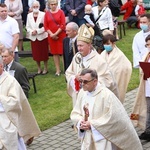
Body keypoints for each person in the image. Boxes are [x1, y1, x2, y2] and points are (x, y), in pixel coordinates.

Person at [70, 68, 143, 150]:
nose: (82, 84)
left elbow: (114, 117)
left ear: (95, 81)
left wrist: (92, 124)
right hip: (87, 137)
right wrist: (81, 122)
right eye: (81, 81)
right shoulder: (82, 93)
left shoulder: (106, 95)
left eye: (85, 82)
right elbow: (75, 112)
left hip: (102, 139)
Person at [65, 24, 118, 107]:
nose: (79, 48)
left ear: (89, 45)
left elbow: (108, 81)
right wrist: (75, 78)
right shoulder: (76, 57)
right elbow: (68, 73)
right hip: (80, 96)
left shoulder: (99, 60)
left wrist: (89, 81)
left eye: (81, 46)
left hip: (95, 99)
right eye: (77, 46)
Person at [0, 55, 41, 149]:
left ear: (1, 66)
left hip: (8, 119)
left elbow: (15, 102)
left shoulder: (10, 81)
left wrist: (1, 98)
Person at [101, 34, 132, 103]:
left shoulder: (119, 55)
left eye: (108, 43)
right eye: (104, 44)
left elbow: (127, 66)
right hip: (104, 83)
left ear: (113, 43)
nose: (106, 45)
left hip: (116, 81)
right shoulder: (102, 54)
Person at [130, 35, 150, 141]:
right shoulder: (147, 54)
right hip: (147, 85)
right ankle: (148, 130)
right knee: (148, 109)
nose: (148, 47)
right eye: (147, 45)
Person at [26, 0, 49, 75]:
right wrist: (31, 31)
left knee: (44, 53)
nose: (35, 8)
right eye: (34, 7)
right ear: (31, 7)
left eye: (37, 6)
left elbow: (45, 26)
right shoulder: (29, 15)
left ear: (39, 7)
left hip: (42, 36)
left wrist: (38, 31)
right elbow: (27, 26)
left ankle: (45, 68)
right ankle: (39, 68)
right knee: (36, 54)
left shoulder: (43, 14)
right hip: (33, 37)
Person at [44, 0, 66, 76]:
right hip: (51, 36)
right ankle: (57, 70)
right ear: (49, 5)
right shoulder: (47, 13)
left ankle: (65, 69)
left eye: (54, 4)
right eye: (51, 4)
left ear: (57, 4)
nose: (53, 6)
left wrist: (56, 33)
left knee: (63, 52)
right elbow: (45, 26)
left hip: (60, 35)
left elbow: (63, 24)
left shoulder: (61, 12)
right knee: (55, 53)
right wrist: (51, 34)